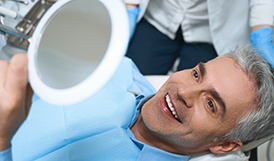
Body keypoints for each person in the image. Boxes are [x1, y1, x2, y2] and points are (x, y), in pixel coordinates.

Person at [0, 45, 274, 160]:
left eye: (211, 104)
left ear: (224, 145)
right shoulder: (117, 69)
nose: (184, 92)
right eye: (196, 74)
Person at [125, 0, 274, 75]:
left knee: (192, 103)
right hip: (159, 15)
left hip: (209, 31)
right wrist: (129, 6)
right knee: (130, 81)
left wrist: (262, 29)